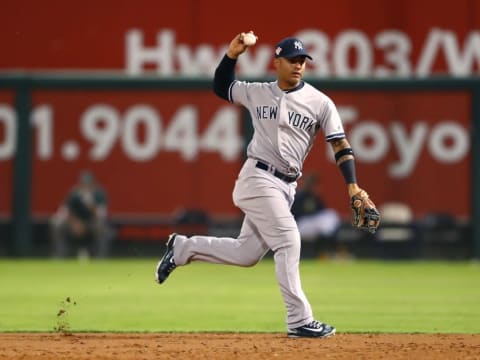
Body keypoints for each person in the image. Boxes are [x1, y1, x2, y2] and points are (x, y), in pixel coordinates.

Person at [155, 32, 379, 338]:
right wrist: (231, 54)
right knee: (289, 239)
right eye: (292, 60)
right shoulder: (257, 91)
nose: (298, 65)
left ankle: (182, 248)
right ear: (277, 62)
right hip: (257, 177)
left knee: (246, 253)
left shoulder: (320, 102)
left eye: (302, 61)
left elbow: (340, 144)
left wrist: (352, 186)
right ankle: (299, 320)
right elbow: (222, 87)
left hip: (287, 186)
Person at [50, 170, 113, 258]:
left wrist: (90, 204)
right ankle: (60, 255)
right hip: (75, 223)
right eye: (84, 184)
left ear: (93, 183)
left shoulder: (99, 193)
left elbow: (102, 215)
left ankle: (101, 257)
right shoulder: (74, 193)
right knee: (57, 223)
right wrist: (75, 224)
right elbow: (64, 212)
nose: (86, 186)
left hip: (92, 223)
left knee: (102, 227)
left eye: (88, 184)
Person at [291, 172, 341, 258]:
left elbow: (323, 213)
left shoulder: (315, 197)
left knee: (331, 216)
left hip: (313, 226)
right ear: (304, 182)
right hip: (300, 226)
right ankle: (328, 250)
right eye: (309, 182)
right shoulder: (298, 196)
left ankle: (326, 252)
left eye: (313, 183)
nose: (311, 185)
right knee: (324, 226)